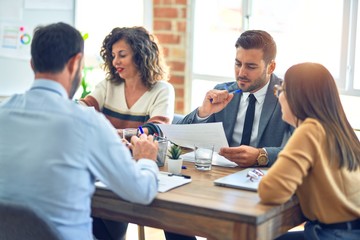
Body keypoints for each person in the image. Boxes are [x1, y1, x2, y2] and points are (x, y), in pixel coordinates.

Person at [0, 22, 159, 240]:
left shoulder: (3, 113)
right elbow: (141, 192)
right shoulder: (87, 123)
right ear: (75, 63)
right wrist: (147, 159)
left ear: (32, 65)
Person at [165, 30, 293, 239]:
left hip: (263, 188)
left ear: (271, 67)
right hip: (219, 182)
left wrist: (261, 154)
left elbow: (302, 149)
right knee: (172, 212)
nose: (241, 72)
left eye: (251, 66)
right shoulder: (222, 92)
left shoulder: (288, 95)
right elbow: (181, 133)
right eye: (237, 63)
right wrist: (203, 112)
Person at [258, 62, 360, 240]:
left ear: (298, 96)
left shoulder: (310, 129)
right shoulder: (339, 129)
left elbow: (271, 192)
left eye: (281, 89)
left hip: (333, 234)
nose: (279, 96)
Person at [79, 26, 175, 136]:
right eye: (113, 56)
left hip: (141, 152)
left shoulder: (162, 90)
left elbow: (157, 127)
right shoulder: (108, 85)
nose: (115, 62)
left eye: (122, 55)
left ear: (141, 56)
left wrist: (124, 133)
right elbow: (85, 106)